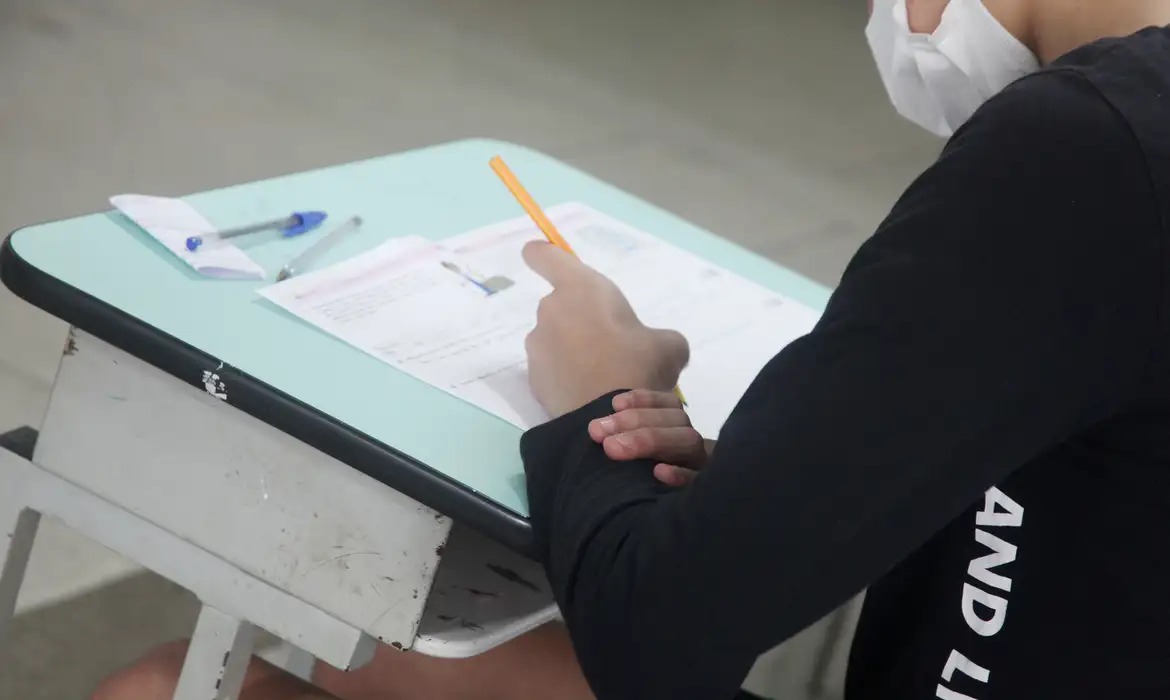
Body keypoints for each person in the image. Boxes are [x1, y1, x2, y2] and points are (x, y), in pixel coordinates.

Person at [94, 0, 1170, 698]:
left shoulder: (1073, 154)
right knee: (386, 661)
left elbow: (657, 636)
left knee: (174, 685)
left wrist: (598, 392)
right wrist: (802, 469)